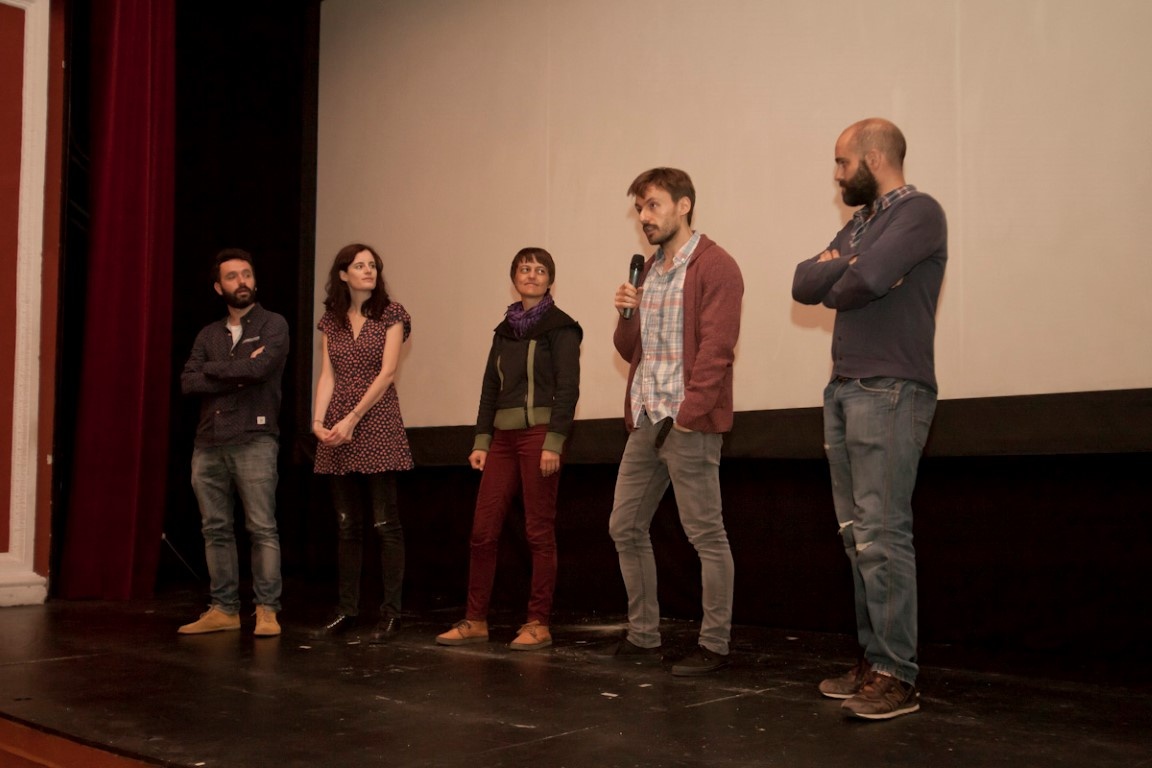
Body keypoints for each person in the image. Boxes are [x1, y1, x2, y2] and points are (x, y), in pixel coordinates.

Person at [792, 118, 947, 720]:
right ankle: (872, 660)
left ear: (874, 158)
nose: (836, 176)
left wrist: (848, 264)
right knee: (858, 537)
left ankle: (896, 673)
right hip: (844, 389)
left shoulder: (920, 212)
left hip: (889, 388)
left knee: (883, 534)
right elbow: (806, 283)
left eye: (841, 163)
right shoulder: (862, 224)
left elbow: (870, 278)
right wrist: (849, 260)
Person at [608, 168, 743, 676]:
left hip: (687, 421)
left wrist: (689, 415)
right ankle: (643, 636)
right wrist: (626, 313)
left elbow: (717, 349)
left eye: (653, 205)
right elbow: (629, 351)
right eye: (640, 208)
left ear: (684, 205)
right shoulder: (649, 270)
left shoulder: (716, 266)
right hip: (646, 417)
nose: (645, 217)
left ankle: (714, 645)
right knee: (624, 525)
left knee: (706, 534)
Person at [436, 248, 582, 651]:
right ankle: (476, 619)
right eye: (524, 269)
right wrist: (482, 440)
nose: (532, 275)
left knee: (538, 531)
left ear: (550, 279)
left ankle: (538, 622)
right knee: (482, 532)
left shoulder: (562, 328)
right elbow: (489, 389)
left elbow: (568, 389)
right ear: (514, 277)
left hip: (540, 436)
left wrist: (555, 441)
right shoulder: (504, 330)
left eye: (540, 270)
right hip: (501, 440)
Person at [178, 248, 289, 637]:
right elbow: (188, 382)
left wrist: (217, 371)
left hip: (254, 439)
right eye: (232, 276)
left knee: (261, 527)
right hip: (207, 442)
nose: (241, 281)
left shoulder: (274, 324)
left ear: (255, 281)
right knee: (215, 529)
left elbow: (261, 369)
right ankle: (224, 609)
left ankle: (267, 610)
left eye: (246, 274)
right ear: (218, 286)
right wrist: (232, 371)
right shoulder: (208, 334)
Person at [311, 243, 414, 642]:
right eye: (359, 265)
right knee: (347, 525)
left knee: (386, 524)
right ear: (343, 274)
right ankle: (347, 610)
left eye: (373, 265)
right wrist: (319, 422)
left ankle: (391, 613)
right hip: (337, 426)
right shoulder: (331, 321)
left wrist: (354, 418)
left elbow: (388, 372)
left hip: (377, 420)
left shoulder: (392, 313)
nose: (368, 271)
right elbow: (328, 376)